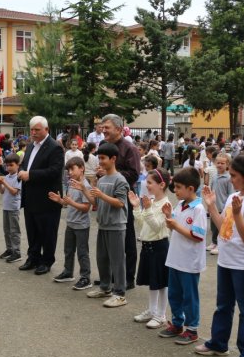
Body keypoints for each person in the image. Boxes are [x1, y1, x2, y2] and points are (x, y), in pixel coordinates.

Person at [196, 154, 244, 357]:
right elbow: (223, 227)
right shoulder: (234, 197)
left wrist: (238, 214)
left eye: (234, 175)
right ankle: (219, 343)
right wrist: (211, 206)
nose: (231, 179)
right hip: (226, 260)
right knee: (223, 305)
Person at [158, 168, 207, 345]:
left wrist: (175, 226)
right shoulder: (180, 205)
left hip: (189, 261)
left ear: (191, 188)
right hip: (175, 259)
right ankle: (177, 323)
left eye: (178, 187)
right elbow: (177, 226)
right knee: (175, 294)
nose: (175, 191)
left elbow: (197, 236)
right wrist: (169, 217)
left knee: (189, 297)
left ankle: (192, 329)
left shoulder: (199, 209)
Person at [17, 116, 64, 275]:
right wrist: (21, 172)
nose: (34, 132)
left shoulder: (54, 147)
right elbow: (25, 165)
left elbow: (54, 171)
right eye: (32, 129)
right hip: (30, 197)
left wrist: (30, 175)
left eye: (37, 130)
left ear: (46, 129)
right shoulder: (30, 146)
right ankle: (33, 258)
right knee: (32, 230)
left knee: (47, 232)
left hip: (47, 198)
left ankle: (47, 260)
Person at [99, 114, 141, 290]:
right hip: (105, 196)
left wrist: (112, 173)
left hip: (124, 198)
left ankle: (127, 278)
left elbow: (134, 174)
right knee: (107, 240)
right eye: (102, 127)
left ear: (118, 129)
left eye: (106, 127)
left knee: (127, 239)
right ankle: (109, 277)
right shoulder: (103, 146)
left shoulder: (129, 148)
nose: (103, 130)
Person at [86, 143, 129, 307]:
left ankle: (120, 293)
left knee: (117, 261)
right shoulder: (102, 179)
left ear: (113, 159)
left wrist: (101, 194)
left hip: (116, 225)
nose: (100, 161)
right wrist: (84, 189)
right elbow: (95, 202)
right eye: (99, 158)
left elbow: (120, 203)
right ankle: (105, 287)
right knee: (102, 258)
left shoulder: (120, 180)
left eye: (103, 158)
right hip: (103, 224)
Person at [130, 168, 171, 329]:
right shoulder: (152, 202)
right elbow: (142, 225)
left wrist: (146, 209)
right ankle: (152, 310)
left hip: (159, 246)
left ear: (161, 184)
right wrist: (136, 208)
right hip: (148, 246)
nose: (146, 185)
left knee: (161, 283)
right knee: (152, 281)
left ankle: (161, 314)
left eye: (149, 182)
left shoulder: (166, 205)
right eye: (146, 182)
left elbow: (156, 227)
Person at [50, 156, 95, 291]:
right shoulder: (71, 183)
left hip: (81, 225)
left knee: (82, 252)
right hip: (70, 223)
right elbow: (67, 202)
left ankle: (85, 277)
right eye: (68, 169)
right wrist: (59, 200)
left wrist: (71, 203)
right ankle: (68, 272)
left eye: (72, 169)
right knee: (68, 250)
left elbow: (86, 208)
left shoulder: (85, 186)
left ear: (82, 168)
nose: (69, 172)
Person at [207, 154, 234, 256]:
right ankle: (214, 242)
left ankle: (220, 244)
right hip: (214, 206)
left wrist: (227, 207)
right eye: (218, 163)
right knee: (213, 227)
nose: (220, 165)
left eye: (223, 163)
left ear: (227, 165)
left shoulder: (229, 178)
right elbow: (211, 190)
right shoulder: (214, 177)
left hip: (223, 208)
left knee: (221, 227)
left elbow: (231, 194)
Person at [0, 153, 22, 263]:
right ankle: (9, 249)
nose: (8, 167)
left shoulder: (18, 178)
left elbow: (14, 192)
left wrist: (4, 182)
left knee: (14, 230)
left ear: (17, 165)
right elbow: (2, 192)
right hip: (6, 207)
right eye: (7, 165)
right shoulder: (6, 177)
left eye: (11, 165)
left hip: (13, 208)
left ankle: (17, 252)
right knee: (6, 230)